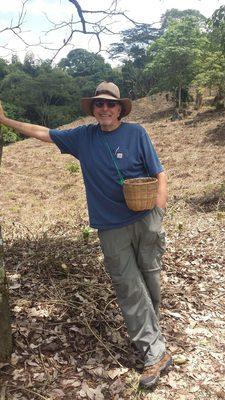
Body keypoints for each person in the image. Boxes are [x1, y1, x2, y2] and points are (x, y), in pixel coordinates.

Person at [0, 81, 172, 388]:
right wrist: (4, 120)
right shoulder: (82, 137)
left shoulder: (136, 133)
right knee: (129, 287)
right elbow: (42, 132)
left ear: (120, 108)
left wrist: (158, 213)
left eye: (110, 104)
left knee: (150, 281)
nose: (105, 109)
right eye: (99, 104)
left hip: (146, 220)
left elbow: (159, 173)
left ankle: (154, 339)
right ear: (93, 109)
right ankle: (154, 353)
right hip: (111, 227)